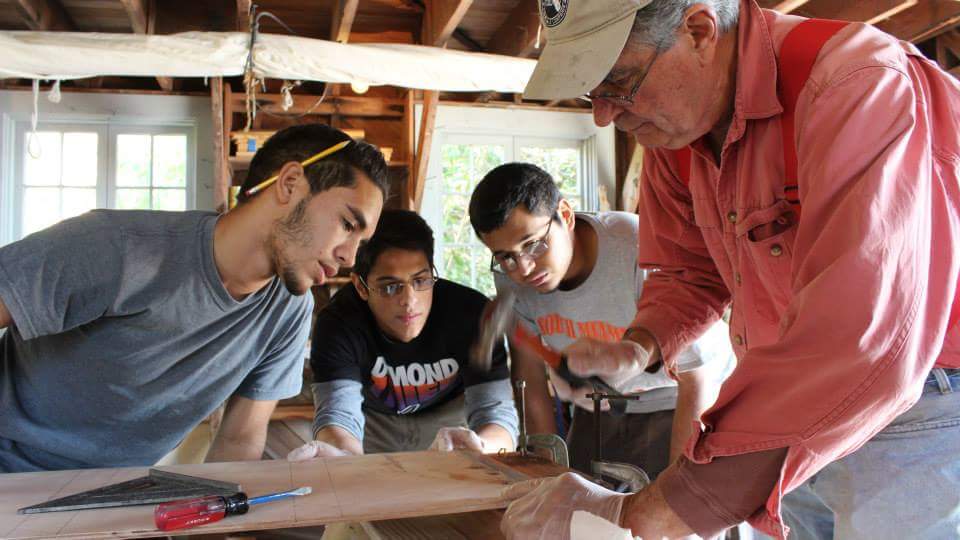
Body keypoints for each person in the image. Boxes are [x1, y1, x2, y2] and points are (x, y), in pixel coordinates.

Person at [500, 0, 960, 539]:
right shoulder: (677, 135)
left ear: (699, 30)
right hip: (785, 405)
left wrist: (649, 511)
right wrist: (639, 345)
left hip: (920, 406)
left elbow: (863, 334)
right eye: (591, 93)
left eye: (618, 82)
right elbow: (689, 273)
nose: (603, 115)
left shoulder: (854, 84)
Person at [0, 123, 388, 472]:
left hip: (112, 495)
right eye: (348, 224)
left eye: (361, 242)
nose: (350, 257)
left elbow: (239, 440)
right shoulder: (116, 248)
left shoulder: (288, 311)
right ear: (289, 184)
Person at [468, 162, 733, 478]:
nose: (523, 268)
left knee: (674, 507)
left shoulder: (639, 249)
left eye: (533, 244)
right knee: (576, 509)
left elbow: (697, 379)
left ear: (565, 215)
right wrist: (547, 476)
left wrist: (679, 493)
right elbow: (531, 381)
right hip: (599, 404)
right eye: (506, 256)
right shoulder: (514, 281)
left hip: (683, 398)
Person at [288, 209, 517, 461]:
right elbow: (339, 414)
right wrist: (343, 457)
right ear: (360, 286)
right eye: (390, 287)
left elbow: (497, 416)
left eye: (421, 281)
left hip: (452, 423)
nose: (409, 301)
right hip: (372, 424)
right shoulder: (338, 323)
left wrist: (481, 448)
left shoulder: (470, 313)